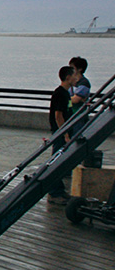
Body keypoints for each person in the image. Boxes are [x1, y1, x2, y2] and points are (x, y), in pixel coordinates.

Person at [47, 65, 78, 202]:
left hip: (64, 132)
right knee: (56, 162)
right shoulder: (60, 94)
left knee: (60, 162)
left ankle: (59, 190)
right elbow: (58, 116)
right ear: (68, 77)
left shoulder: (65, 93)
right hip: (61, 133)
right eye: (74, 75)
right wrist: (65, 134)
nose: (76, 78)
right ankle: (54, 193)